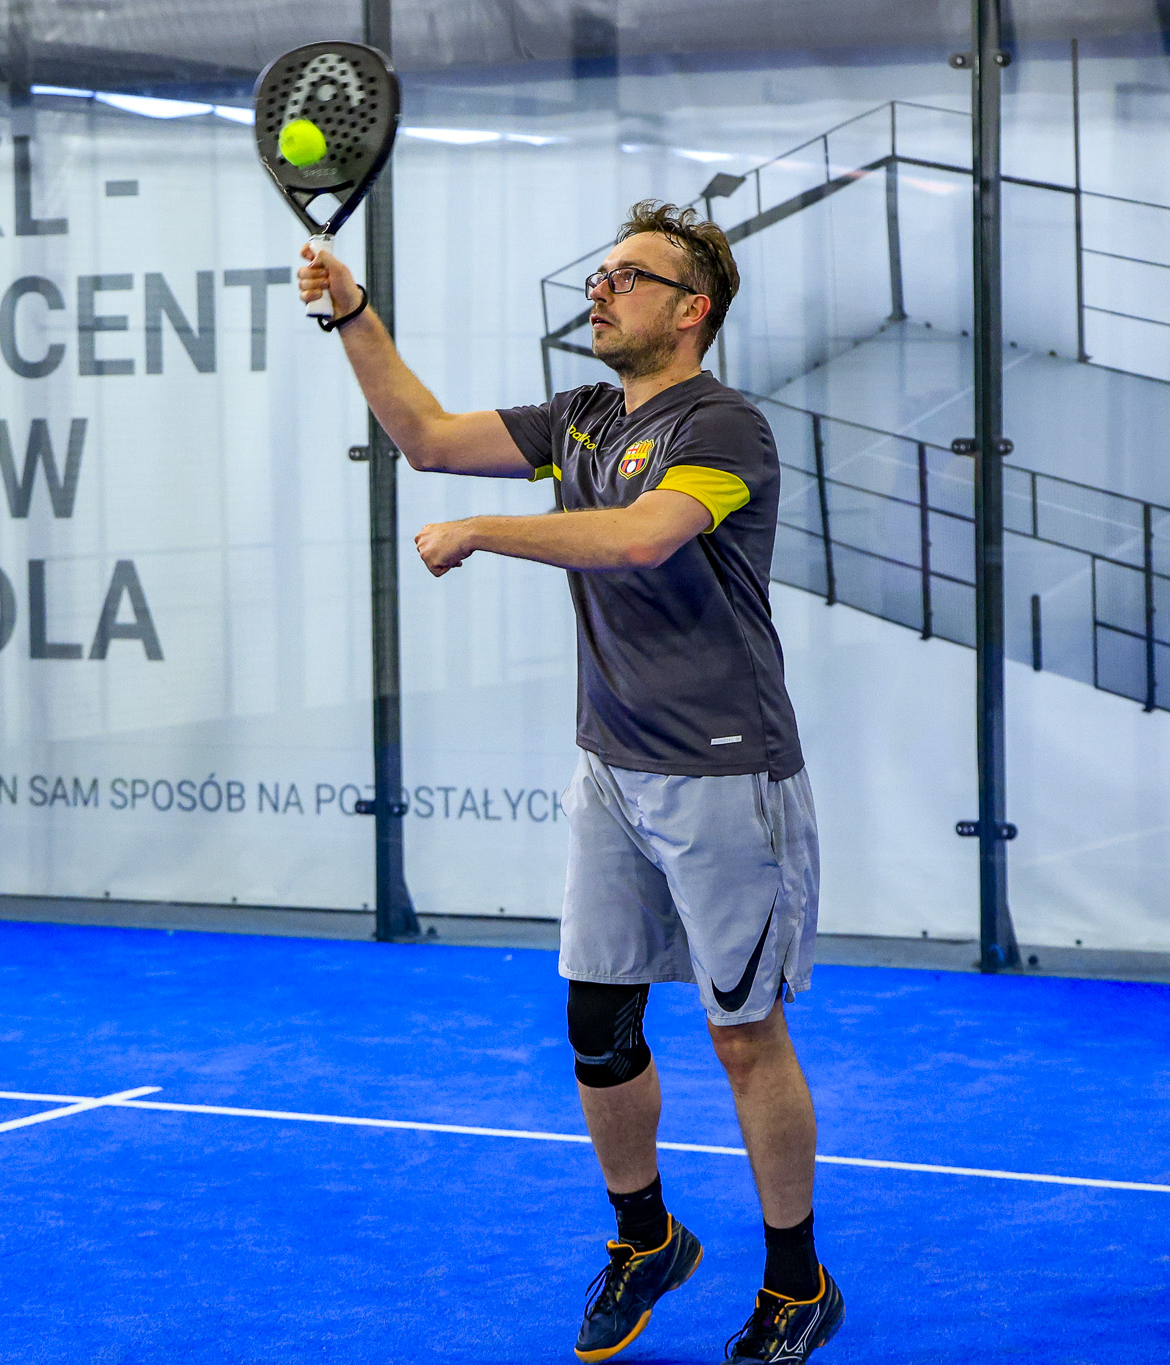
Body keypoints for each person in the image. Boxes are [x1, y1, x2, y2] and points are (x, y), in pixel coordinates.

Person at [297, 200, 840, 1364]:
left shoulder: (724, 428)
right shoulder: (582, 415)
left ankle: (796, 1286)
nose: (598, 293)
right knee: (597, 1020)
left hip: (721, 772)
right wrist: (349, 313)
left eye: (627, 279)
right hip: (612, 765)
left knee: (742, 1036)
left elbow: (644, 536)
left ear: (690, 310)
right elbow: (430, 437)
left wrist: (487, 529)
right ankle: (646, 1241)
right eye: (597, 275)